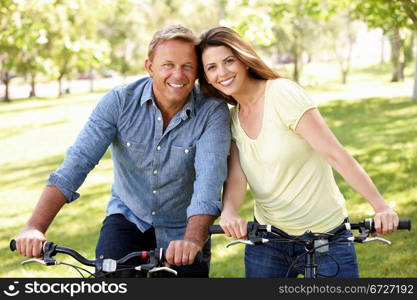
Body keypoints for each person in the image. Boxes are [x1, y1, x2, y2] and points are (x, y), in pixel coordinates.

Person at [14, 25, 231, 278]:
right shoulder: (119, 102)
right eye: (167, 65)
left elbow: (209, 181)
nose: (178, 74)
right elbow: (77, 162)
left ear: (197, 72)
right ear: (149, 67)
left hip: (185, 226)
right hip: (129, 217)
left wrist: (194, 240)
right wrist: (34, 227)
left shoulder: (212, 111)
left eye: (187, 66)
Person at [196, 26, 399, 278]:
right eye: (211, 67)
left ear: (244, 59)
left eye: (229, 61)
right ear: (206, 77)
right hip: (269, 241)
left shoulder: (281, 93)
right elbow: (237, 177)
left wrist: (381, 207)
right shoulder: (233, 117)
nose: (222, 72)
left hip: (327, 236)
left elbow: (335, 154)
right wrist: (229, 211)